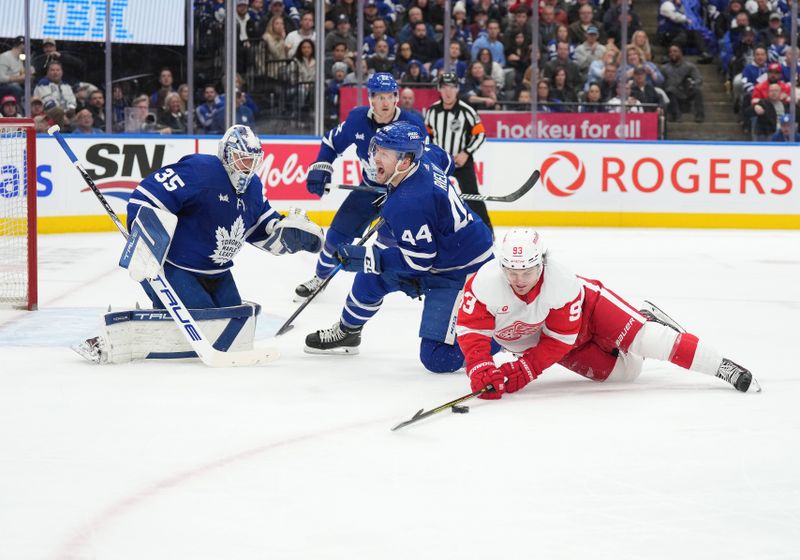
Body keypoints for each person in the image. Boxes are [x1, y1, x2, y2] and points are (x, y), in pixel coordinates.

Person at [75, 124, 324, 364]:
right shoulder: (200, 171)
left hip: (218, 272)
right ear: (226, 155)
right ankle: (111, 339)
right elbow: (146, 197)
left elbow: (261, 228)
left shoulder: (254, 188)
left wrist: (289, 236)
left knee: (234, 323)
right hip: (174, 267)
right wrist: (145, 241)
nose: (247, 168)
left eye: (252, 161)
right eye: (242, 159)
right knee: (205, 324)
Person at [456, 229, 758, 401]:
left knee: (646, 340)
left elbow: (558, 341)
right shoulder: (484, 284)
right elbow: (472, 332)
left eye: (529, 271)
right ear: (501, 268)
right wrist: (480, 365)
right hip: (550, 339)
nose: (520, 280)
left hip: (588, 311)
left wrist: (526, 369)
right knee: (627, 374)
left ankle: (722, 367)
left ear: (543, 264)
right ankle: (637, 327)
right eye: (512, 271)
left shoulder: (561, 283)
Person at [304, 122, 494, 373]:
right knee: (370, 278)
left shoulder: (409, 203)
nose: (374, 158)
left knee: (437, 359)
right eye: (376, 149)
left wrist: (370, 256)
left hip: (462, 271)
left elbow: (419, 262)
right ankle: (348, 332)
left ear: (405, 161)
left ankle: (503, 337)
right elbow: (446, 161)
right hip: (440, 253)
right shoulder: (425, 156)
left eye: (384, 154)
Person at [293, 73, 426, 301]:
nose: (385, 103)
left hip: (400, 195)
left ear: (396, 98)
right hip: (368, 190)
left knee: (387, 248)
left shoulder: (412, 123)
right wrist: (321, 166)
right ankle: (319, 278)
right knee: (336, 236)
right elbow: (331, 142)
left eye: (390, 96)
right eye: (379, 97)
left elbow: (427, 158)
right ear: (370, 99)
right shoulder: (357, 119)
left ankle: (385, 287)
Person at [426, 72, 493, 234]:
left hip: (462, 162)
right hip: (439, 163)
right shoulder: (432, 111)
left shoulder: (466, 111)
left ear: (457, 89)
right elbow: (428, 137)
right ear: (439, 89)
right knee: (432, 196)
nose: (448, 91)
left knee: (472, 197)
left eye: (452, 87)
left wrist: (466, 153)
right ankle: (432, 231)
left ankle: (487, 232)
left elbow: (480, 134)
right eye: (444, 87)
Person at [661, 44, 704, 122]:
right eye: (670, 52)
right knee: (670, 89)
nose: (672, 53)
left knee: (697, 90)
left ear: (681, 53)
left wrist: (693, 83)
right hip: (672, 93)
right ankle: (676, 115)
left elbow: (699, 79)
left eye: (675, 51)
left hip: (686, 90)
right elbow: (661, 82)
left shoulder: (690, 66)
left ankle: (699, 116)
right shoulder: (664, 68)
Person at [0, 36, 27, 101]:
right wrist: (19, 78)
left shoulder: (20, 59)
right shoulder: (5, 56)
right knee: (16, 88)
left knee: (29, 87)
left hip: (16, 85)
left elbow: (21, 74)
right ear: (21, 45)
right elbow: (1, 78)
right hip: (4, 86)